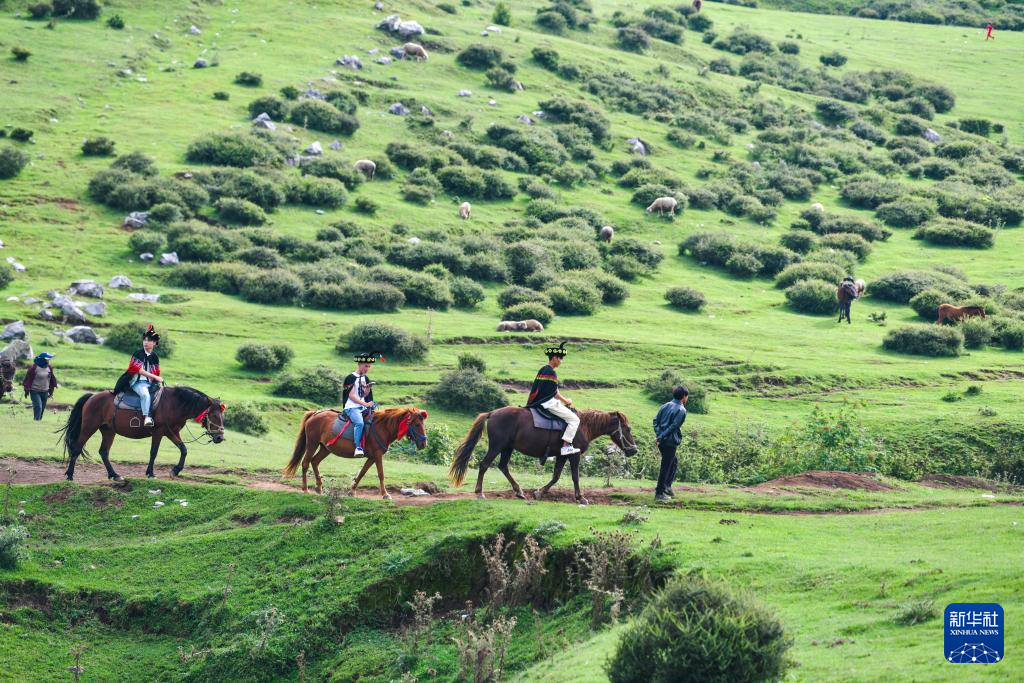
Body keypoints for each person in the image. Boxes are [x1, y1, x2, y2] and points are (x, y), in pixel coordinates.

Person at [526, 342, 580, 456]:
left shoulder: (543, 369)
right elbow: (554, 393)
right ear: (554, 358)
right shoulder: (551, 372)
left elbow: (552, 389)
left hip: (540, 402)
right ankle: (566, 446)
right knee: (574, 420)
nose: (561, 361)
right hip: (548, 403)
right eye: (560, 358)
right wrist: (566, 401)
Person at [114, 324, 163, 427]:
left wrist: (157, 380)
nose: (145, 342)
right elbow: (138, 370)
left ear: (154, 343)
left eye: (148, 340)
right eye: (144, 340)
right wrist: (155, 377)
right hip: (137, 382)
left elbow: (156, 372)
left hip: (150, 383)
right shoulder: (138, 353)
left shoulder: (155, 357)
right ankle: (147, 417)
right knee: (145, 395)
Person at [652, 385, 688, 501]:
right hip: (670, 441)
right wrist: (661, 437)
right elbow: (674, 426)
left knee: (673, 461)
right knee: (666, 466)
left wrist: (659, 435)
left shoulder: (664, 405)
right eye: (687, 396)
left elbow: (655, 421)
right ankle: (659, 493)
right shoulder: (682, 410)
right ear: (684, 397)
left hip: (662, 441)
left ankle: (667, 486)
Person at [343, 353, 380, 456]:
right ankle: (357, 447)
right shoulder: (350, 378)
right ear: (359, 364)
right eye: (365, 366)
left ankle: (374, 445)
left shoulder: (365, 378)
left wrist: (367, 390)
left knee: (375, 421)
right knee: (359, 423)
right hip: (352, 407)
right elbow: (351, 396)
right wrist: (365, 403)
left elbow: (362, 395)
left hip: (362, 407)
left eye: (369, 366)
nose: (367, 368)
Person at [22, 352, 58, 421]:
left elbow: (51, 379)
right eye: (47, 359)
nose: (49, 360)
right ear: (43, 359)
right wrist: (26, 388)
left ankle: (38, 421)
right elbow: (27, 379)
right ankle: (36, 421)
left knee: (42, 408)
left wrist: (51, 390)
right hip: (35, 391)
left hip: (45, 391)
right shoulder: (34, 368)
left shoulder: (49, 367)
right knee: (38, 407)